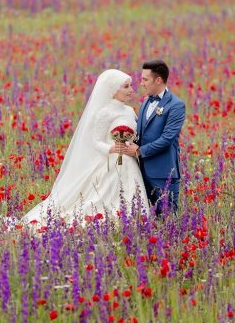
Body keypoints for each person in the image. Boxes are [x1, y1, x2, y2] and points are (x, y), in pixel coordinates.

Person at [22, 69, 149, 229]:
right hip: (111, 164)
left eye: (131, 86)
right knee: (105, 200)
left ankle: (133, 224)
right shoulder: (105, 112)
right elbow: (95, 142)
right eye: (126, 87)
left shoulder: (130, 111)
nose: (131, 90)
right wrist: (112, 148)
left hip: (130, 162)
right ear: (113, 90)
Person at [121, 60, 185, 216]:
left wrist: (139, 151)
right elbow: (141, 134)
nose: (141, 83)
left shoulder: (176, 105)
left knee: (168, 220)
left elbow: (167, 139)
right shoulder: (146, 102)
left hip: (164, 175)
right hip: (142, 173)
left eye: (145, 79)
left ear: (158, 80)